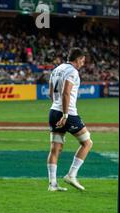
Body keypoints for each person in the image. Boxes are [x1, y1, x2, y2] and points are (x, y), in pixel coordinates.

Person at [47, 47, 93, 192]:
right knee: (87, 142)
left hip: (53, 111)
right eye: (82, 60)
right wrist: (65, 114)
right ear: (78, 59)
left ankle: (52, 185)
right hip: (68, 114)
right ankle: (71, 175)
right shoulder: (72, 71)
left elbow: (50, 93)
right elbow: (66, 92)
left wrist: (58, 107)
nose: (83, 63)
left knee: (55, 149)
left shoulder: (56, 69)